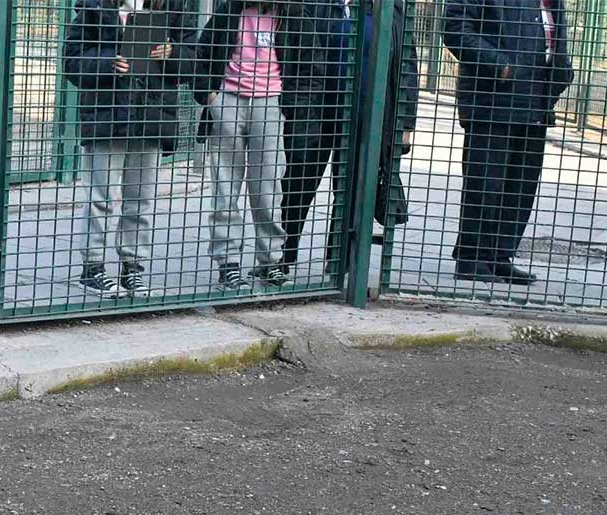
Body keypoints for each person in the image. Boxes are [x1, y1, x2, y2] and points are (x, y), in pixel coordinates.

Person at [190, 0, 331, 290]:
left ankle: (270, 261)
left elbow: (312, 66)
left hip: (270, 103)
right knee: (225, 188)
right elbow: (201, 54)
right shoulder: (229, 10)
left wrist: (287, 107)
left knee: (267, 188)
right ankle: (227, 264)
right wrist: (210, 98)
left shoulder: (293, 14)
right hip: (228, 99)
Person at [62, 0, 198, 297]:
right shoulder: (94, 6)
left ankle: (132, 269)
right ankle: (93, 268)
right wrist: (109, 61)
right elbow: (71, 61)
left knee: (141, 200)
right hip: (107, 114)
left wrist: (171, 54)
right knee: (102, 197)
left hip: (151, 114)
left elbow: (194, 59)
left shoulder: (174, 8)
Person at [280, 0, 419, 277]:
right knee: (298, 183)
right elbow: (289, 49)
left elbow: (407, 64)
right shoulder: (314, 4)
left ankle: (338, 263)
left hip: (365, 116)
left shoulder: (390, 7)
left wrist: (405, 121)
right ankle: (284, 254)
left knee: (349, 191)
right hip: (314, 110)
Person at [442, 0, 573, 285]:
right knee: (485, 182)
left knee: (521, 184)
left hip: (537, 99)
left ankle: (499, 257)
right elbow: (455, 29)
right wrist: (500, 65)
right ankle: (471, 257)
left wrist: (563, 70)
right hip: (492, 99)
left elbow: (554, 35)